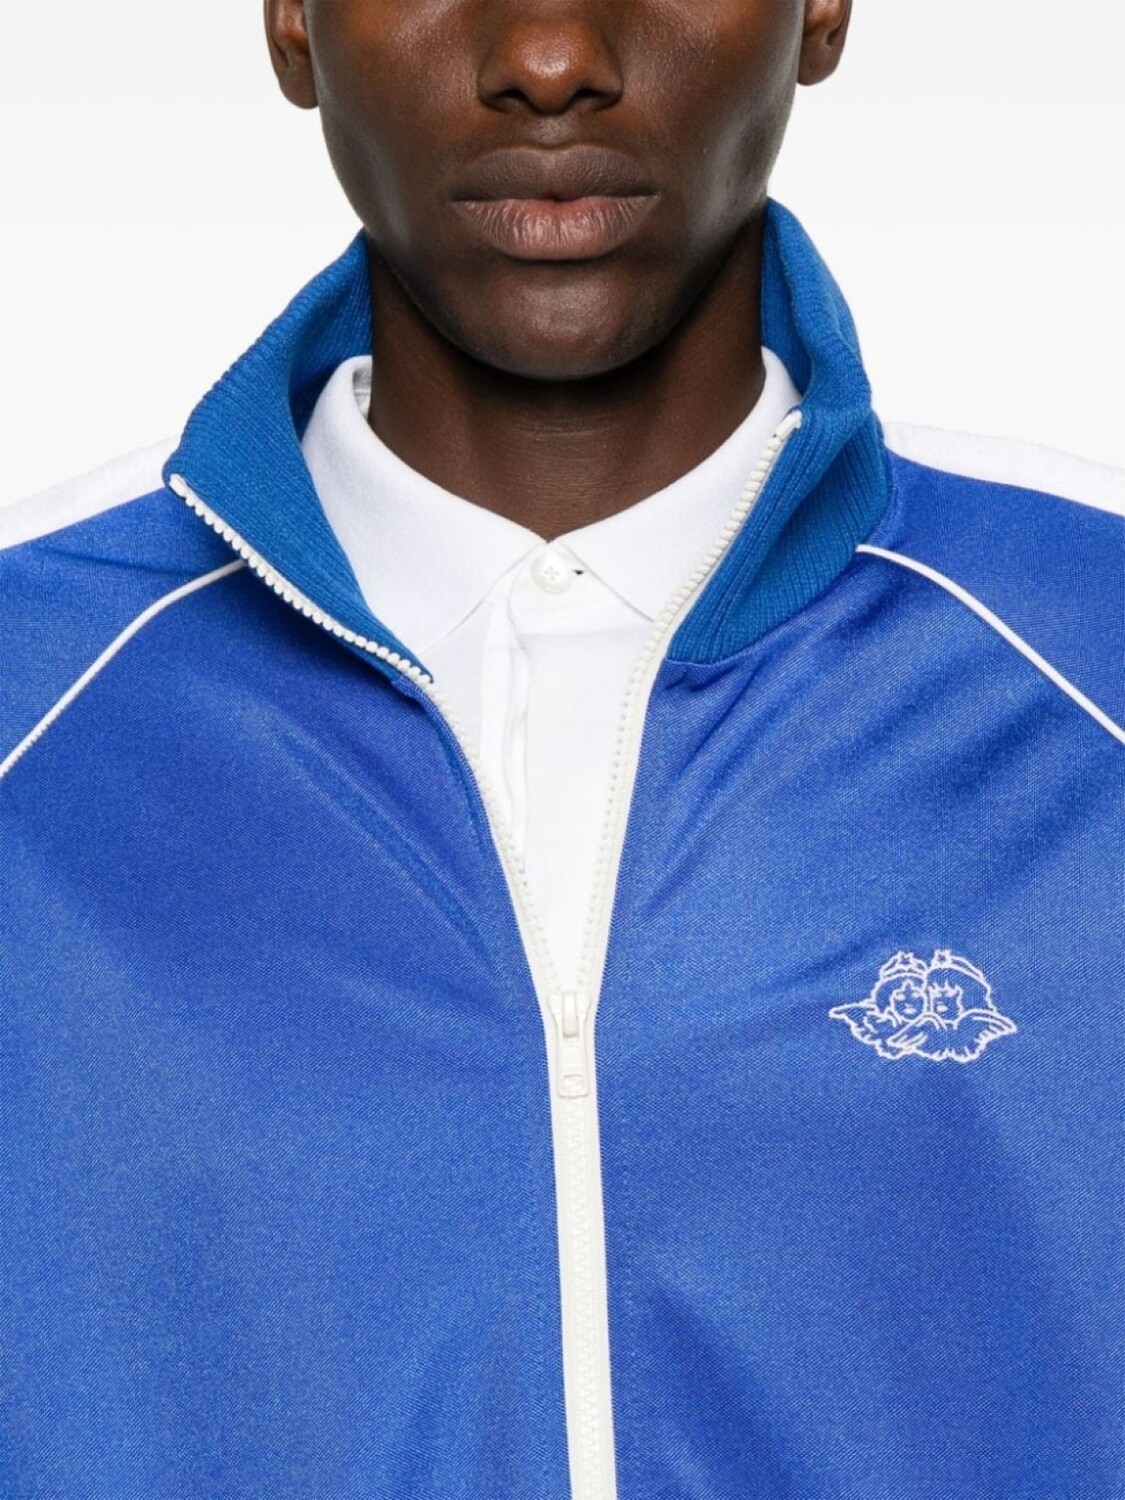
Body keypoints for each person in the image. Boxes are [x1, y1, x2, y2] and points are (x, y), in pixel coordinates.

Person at [2, 1, 1122, 1495]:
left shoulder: (1090, 657)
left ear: (821, 10)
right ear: (290, 22)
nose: (549, 59)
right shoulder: (33, 701)